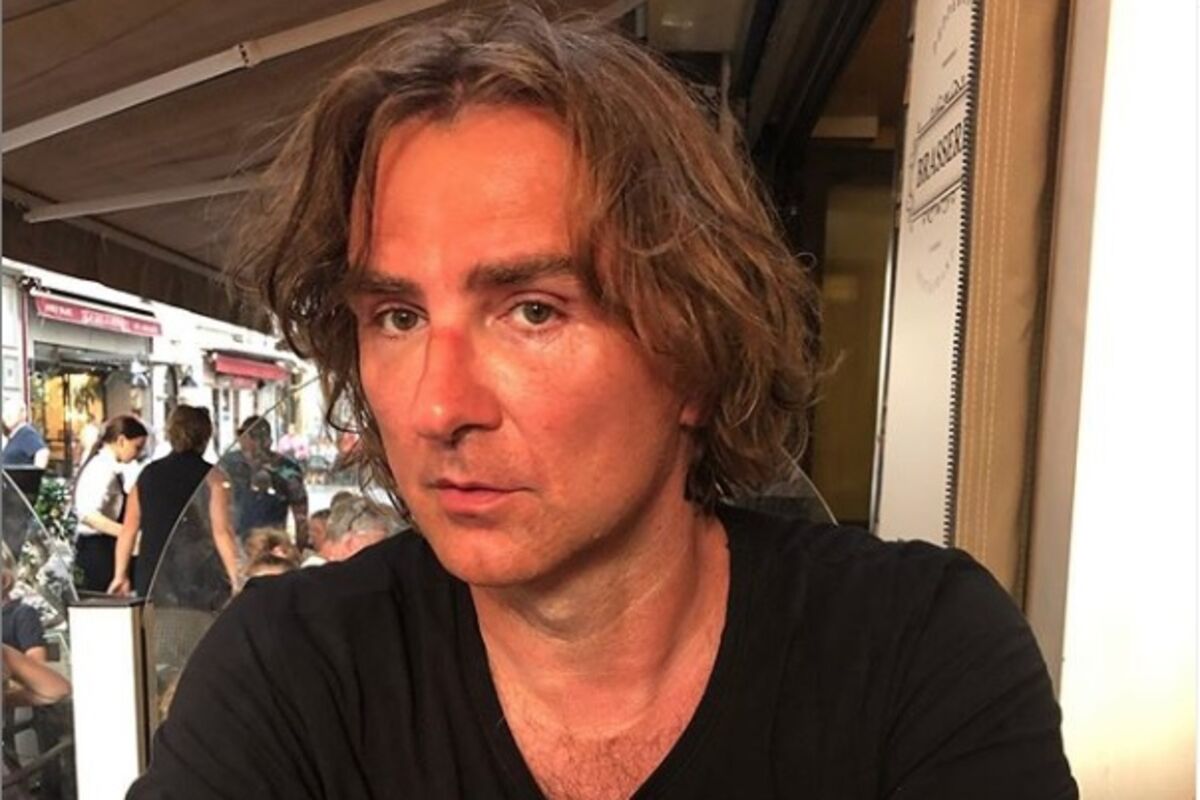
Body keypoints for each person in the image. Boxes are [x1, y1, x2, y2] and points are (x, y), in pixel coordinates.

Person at [131, 7, 1076, 799]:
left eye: (533, 311)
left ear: (695, 351)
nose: (436, 408)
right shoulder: (289, 677)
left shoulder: (913, 652)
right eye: (398, 316)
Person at [109, 405, 238, 598]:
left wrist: (120, 575)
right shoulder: (214, 478)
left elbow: (129, 529)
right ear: (206, 436)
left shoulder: (147, 475)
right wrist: (237, 578)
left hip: (153, 575)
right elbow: (222, 531)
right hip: (199, 574)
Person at [72, 415, 147, 593]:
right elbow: (89, 516)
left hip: (104, 547)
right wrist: (127, 533)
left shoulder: (113, 467)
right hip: (96, 550)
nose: (138, 454)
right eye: (136, 447)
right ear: (121, 441)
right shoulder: (100, 469)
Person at [218, 416, 309, 549]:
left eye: (258, 437)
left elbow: (300, 512)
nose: (254, 443)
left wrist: (300, 547)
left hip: (271, 542)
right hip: (234, 542)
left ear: (268, 440)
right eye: (250, 436)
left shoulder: (286, 469)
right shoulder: (229, 464)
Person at [302, 496, 398, 567]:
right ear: (350, 542)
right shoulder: (328, 580)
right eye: (377, 548)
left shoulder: (314, 574)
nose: (381, 558)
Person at [1, 400, 49, 469]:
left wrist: (35, 474)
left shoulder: (26, 433)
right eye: (5, 412)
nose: (7, 416)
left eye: (11, 412)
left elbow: (43, 452)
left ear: (23, 414)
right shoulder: (15, 435)